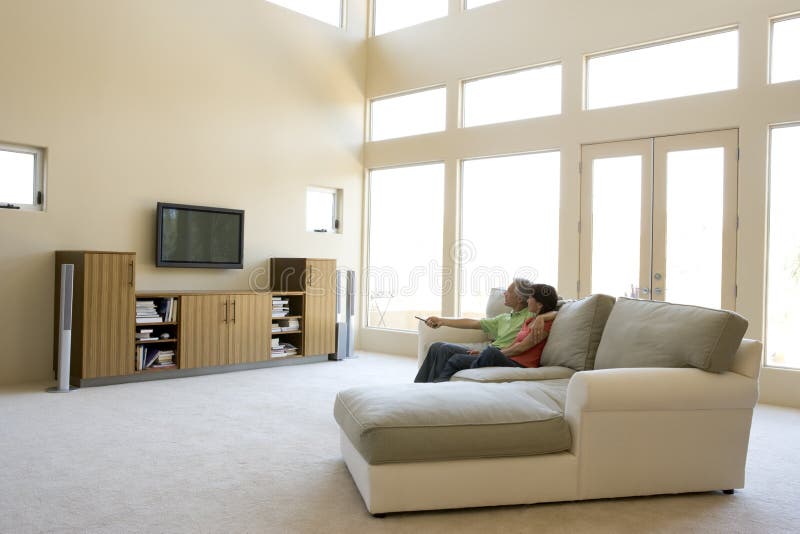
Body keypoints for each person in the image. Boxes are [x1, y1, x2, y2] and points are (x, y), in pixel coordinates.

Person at [414, 279, 555, 383]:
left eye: (509, 291)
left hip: (499, 354)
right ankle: (419, 387)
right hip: (492, 351)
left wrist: (542, 317)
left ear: (519, 298)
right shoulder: (504, 318)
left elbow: (557, 309)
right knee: (437, 347)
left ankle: (436, 386)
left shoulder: (530, 316)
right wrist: (442, 321)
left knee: (447, 351)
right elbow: (474, 323)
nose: (504, 294)